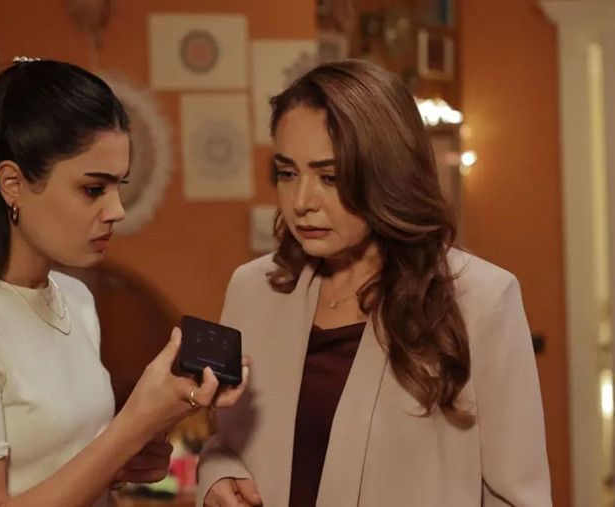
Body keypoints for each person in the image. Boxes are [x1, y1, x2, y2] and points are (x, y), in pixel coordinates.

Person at [0, 58, 248, 507]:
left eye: (119, 186)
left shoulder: (75, 299)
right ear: (12, 183)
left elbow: (61, 466)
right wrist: (133, 424)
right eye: (94, 189)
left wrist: (129, 453)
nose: (117, 210)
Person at [197, 60, 551, 506]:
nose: (302, 202)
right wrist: (217, 472)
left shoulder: (481, 300)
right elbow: (228, 440)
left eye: (330, 177)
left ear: (387, 174)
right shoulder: (253, 290)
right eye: (288, 173)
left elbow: (518, 496)